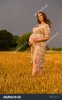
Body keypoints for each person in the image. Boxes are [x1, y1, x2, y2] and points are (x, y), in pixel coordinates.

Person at [29, 11, 51, 76]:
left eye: (41, 15)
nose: (39, 17)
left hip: (40, 45)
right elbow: (34, 34)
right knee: (36, 60)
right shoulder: (37, 26)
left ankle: (33, 76)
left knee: (36, 59)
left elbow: (47, 37)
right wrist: (30, 41)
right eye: (38, 16)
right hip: (34, 45)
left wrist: (39, 39)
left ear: (44, 16)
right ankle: (40, 76)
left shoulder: (46, 25)